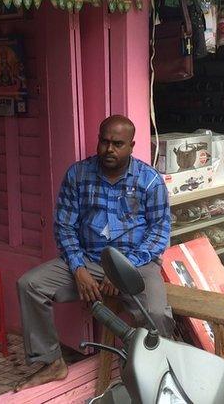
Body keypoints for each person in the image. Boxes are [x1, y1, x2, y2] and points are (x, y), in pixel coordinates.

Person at [16, 115, 174, 390]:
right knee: (30, 285)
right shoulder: (78, 174)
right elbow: (64, 226)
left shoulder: (149, 181)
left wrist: (123, 269)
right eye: (105, 141)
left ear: (132, 146)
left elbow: (159, 232)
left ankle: (163, 372)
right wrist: (77, 268)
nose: (109, 149)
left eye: (118, 144)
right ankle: (52, 362)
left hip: (136, 263)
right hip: (87, 260)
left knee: (156, 313)